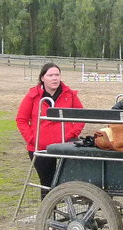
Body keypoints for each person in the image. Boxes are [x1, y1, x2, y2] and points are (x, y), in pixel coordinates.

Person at [16, 63, 84, 198]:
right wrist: (33, 139)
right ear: (42, 78)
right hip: (41, 147)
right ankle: (48, 214)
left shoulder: (69, 94)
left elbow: (81, 116)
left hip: (66, 144)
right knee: (47, 183)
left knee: (71, 180)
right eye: (50, 75)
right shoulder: (33, 96)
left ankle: (72, 210)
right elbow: (21, 120)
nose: (54, 78)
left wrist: (72, 133)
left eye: (57, 75)